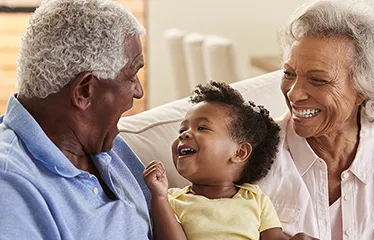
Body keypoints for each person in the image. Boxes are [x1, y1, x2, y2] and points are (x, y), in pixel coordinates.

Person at [257, 0, 374, 239]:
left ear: (363, 89)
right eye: (289, 74)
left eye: (318, 80)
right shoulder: (254, 153)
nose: (294, 93)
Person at [0, 0, 152, 239]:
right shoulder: (10, 185)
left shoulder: (105, 144)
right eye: (132, 75)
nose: (138, 91)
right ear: (84, 91)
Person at [143, 81, 288, 239]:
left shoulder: (256, 199)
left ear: (239, 152)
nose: (183, 135)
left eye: (202, 128)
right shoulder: (171, 200)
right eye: (183, 129)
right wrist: (159, 197)